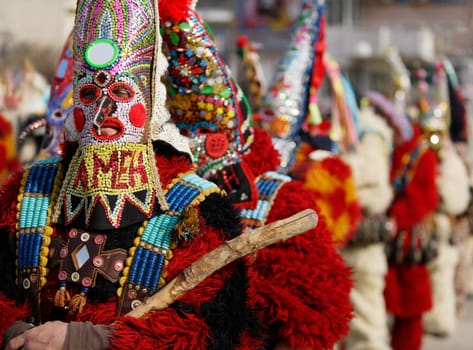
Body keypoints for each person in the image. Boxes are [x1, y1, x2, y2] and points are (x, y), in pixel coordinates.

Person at [0, 1, 274, 349]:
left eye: (121, 93)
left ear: (150, 101)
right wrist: (14, 332)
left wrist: (90, 340)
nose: (103, 110)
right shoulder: (29, 192)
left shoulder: (197, 207)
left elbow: (211, 332)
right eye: (89, 94)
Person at [159, 0, 353, 349]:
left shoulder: (279, 198)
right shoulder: (162, 190)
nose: (192, 142)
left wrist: (233, 300)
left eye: (203, 135)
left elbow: (320, 315)